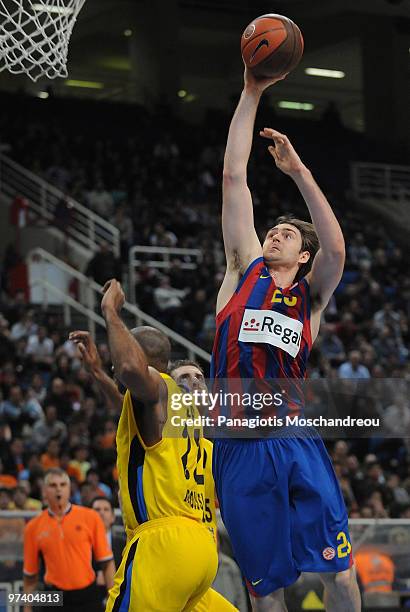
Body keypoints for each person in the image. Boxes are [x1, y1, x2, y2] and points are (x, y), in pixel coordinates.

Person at [211, 67, 361, 611]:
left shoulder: (310, 299)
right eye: (272, 227)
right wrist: (250, 90)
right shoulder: (239, 272)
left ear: (303, 256)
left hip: (293, 437)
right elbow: (233, 177)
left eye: (288, 232)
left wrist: (298, 171)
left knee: (340, 576)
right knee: (266, 592)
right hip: (236, 446)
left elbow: (337, 251)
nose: (275, 230)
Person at [70, 291, 236, 612]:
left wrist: (110, 312)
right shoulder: (197, 433)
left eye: (198, 377)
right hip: (202, 551)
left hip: (164, 542)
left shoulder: (162, 392)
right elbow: (128, 407)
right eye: (186, 377)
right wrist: (99, 374)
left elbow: (132, 368)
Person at [23, 468, 115, 612]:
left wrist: (112, 599)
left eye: (63, 485)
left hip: (87, 595)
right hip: (53, 596)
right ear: (44, 491)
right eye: (53, 485)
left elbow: (107, 563)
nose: (58, 489)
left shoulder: (90, 517)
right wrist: (27, 608)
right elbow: (30, 577)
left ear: (69, 489)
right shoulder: (33, 527)